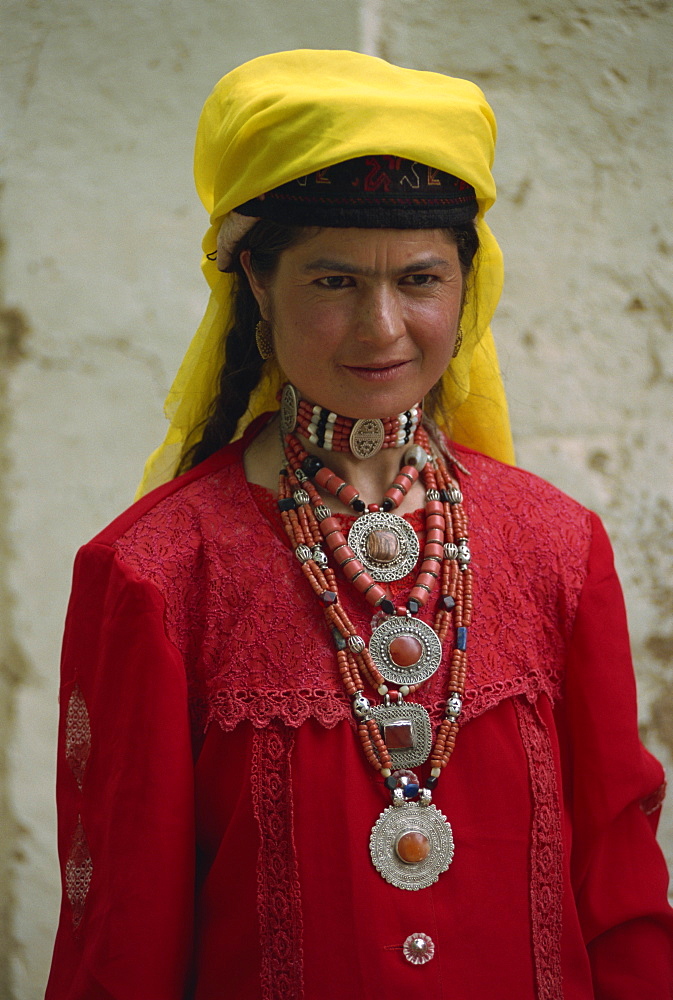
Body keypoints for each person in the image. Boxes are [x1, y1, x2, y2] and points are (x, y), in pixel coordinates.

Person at [46, 50, 672, 1000]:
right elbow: (121, 940)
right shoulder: (155, 573)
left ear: (468, 285)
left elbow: (621, 897)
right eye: (333, 282)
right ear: (255, 281)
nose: (382, 328)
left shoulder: (556, 545)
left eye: (419, 279)